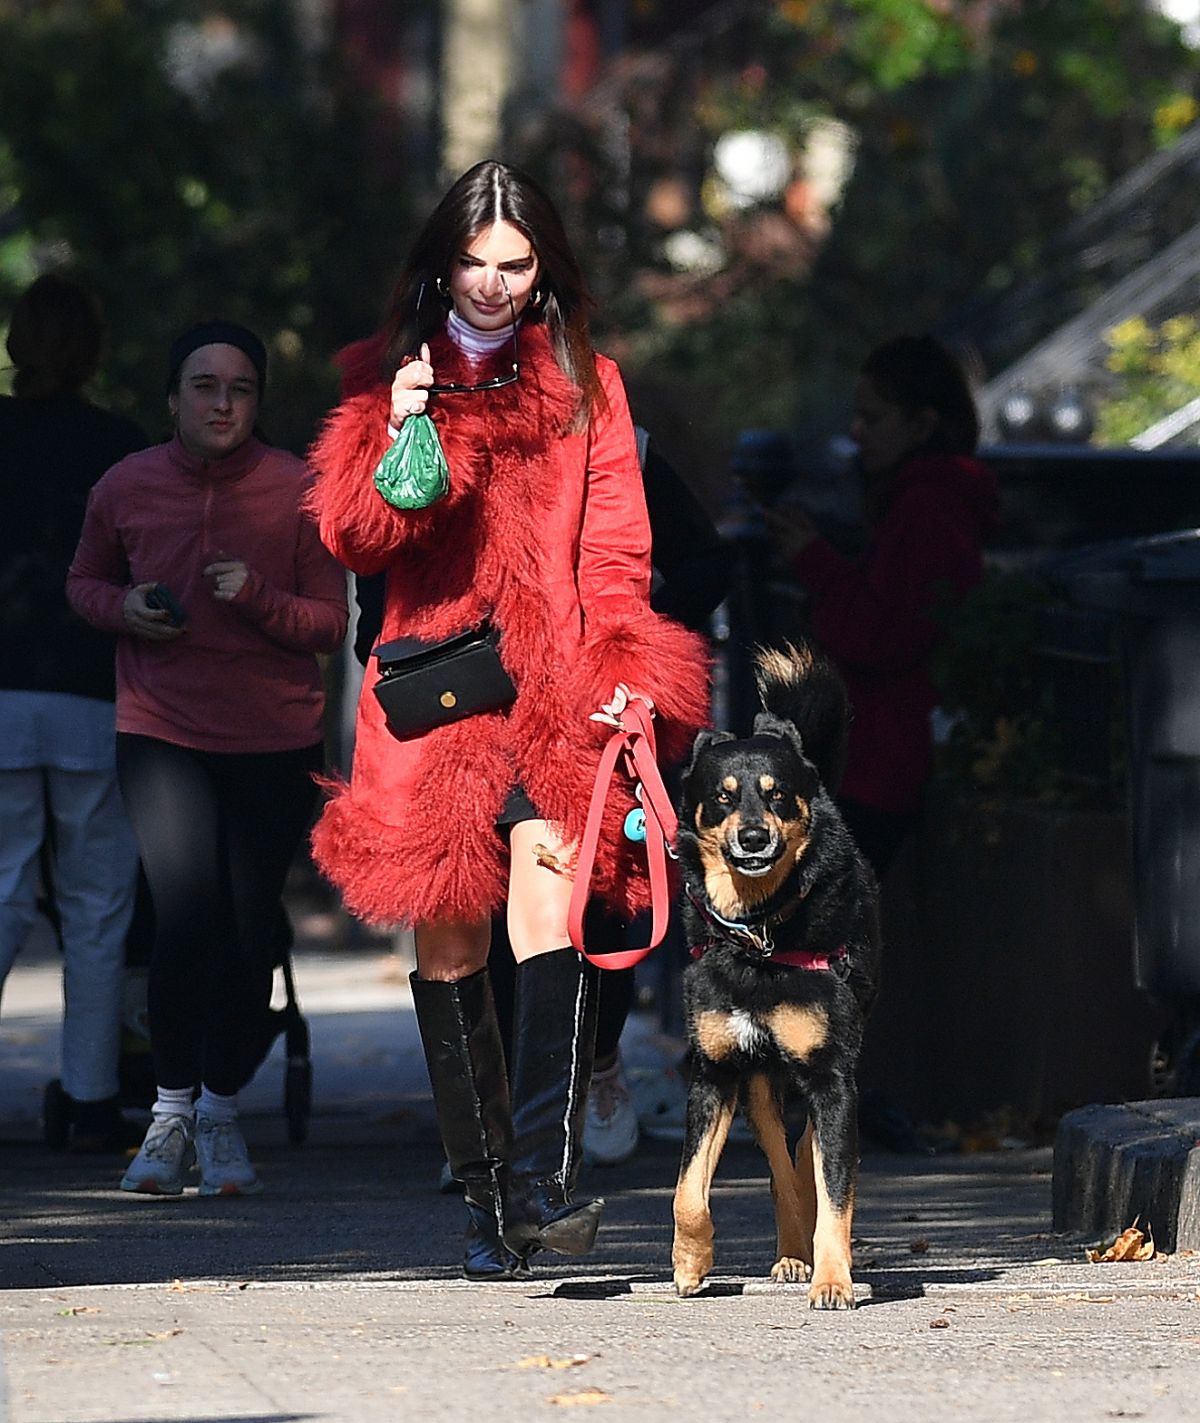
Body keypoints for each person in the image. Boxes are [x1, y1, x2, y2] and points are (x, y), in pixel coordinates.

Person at [306, 159, 709, 1280]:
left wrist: (628, 661)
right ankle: (488, 1204)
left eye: (515, 264)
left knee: (557, 905)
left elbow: (619, 544)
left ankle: (548, 1186)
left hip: (560, 687)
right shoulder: (384, 377)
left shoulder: (589, 385)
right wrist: (404, 430)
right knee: (449, 938)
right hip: (432, 692)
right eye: (474, 261)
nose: (492, 283)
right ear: (442, 265)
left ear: (544, 271)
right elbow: (355, 542)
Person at [67, 320, 348, 1195]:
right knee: (183, 916)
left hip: (273, 736)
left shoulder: (297, 489)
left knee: (247, 927)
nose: (221, 403)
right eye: (203, 386)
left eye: (239, 389)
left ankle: (221, 1114)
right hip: (162, 730)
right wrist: (125, 608)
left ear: (257, 402)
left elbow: (332, 622)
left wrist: (258, 597)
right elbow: (82, 583)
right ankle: (168, 1115)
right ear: (172, 399)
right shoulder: (126, 484)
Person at [0, 274, 146, 1151]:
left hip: (2, 693)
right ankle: (91, 1094)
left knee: (4, 887)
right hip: (93, 690)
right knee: (97, 904)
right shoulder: (118, 447)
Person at [765, 333, 999, 879]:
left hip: (882, 761)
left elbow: (882, 632)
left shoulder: (928, 507)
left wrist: (814, 561)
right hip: (877, 755)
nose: (857, 433)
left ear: (921, 424)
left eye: (874, 419)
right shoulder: (923, 501)